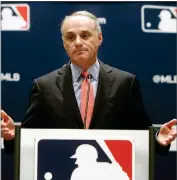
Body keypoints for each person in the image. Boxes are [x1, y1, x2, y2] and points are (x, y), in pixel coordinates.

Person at [1, 11, 177, 153]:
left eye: (85, 35)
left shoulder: (125, 83)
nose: (78, 42)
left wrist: (157, 139)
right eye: (70, 37)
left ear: (99, 38)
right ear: (64, 43)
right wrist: (13, 137)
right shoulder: (44, 86)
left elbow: (141, 135)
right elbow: (28, 140)